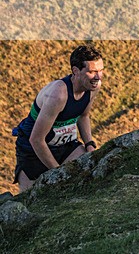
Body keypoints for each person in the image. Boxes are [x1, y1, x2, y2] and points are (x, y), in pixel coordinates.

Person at [12, 45, 103, 191]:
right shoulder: (58, 95)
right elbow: (36, 139)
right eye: (92, 72)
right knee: (31, 201)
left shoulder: (93, 86)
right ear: (76, 71)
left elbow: (83, 116)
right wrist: (58, 172)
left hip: (64, 145)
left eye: (100, 70)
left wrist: (89, 144)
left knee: (88, 171)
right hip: (33, 149)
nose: (98, 77)